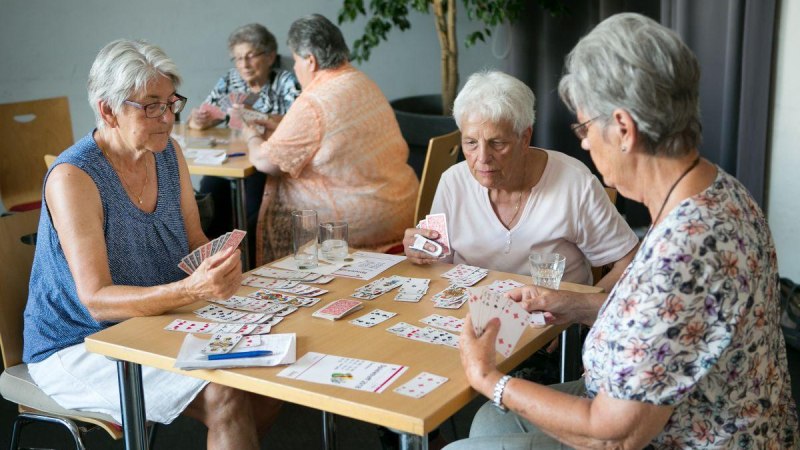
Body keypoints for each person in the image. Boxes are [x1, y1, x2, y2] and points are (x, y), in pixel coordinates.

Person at [448, 13, 798, 449]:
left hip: (684, 436)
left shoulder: (685, 249)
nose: (585, 143)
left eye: (585, 128)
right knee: (490, 426)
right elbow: (663, 324)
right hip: (695, 414)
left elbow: (614, 437)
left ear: (625, 129)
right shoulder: (715, 189)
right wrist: (574, 305)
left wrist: (488, 378)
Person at [23, 39, 280, 450]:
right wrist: (189, 290)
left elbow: (194, 241)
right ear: (108, 110)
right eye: (151, 106)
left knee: (271, 372)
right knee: (225, 394)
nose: (168, 118)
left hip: (153, 320)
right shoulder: (74, 176)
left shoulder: (167, 152)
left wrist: (220, 264)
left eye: (171, 103)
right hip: (79, 343)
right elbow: (96, 300)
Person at [404, 70, 638, 293]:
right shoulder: (452, 182)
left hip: (553, 325)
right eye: (471, 143)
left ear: (525, 137)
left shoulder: (575, 184)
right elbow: (437, 264)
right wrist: (419, 251)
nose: (482, 158)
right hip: (469, 320)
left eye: (497, 143)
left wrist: (584, 309)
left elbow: (629, 260)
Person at [244, 14, 418, 264]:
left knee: (246, 220)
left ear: (310, 61)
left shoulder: (315, 101)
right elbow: (329, 134)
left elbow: (265, 162)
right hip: (401, 207)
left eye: (295, 61)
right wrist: (279, 125)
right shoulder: (360, 81)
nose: (294, 68)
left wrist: (251, 133)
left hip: (355, 225)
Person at [189, 23, 301, 260]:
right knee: (210, 196)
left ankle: (247, 258)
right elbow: (207, 116)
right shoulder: (231, 80)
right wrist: (199, 120)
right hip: (231, 159)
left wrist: (254, 116)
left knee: (250, 209)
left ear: (270, 56)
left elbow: (298, 121)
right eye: (238, 58)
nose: (244, 65)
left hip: (263, 161)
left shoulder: (285, 81)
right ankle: (222, 261)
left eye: (250, 56)